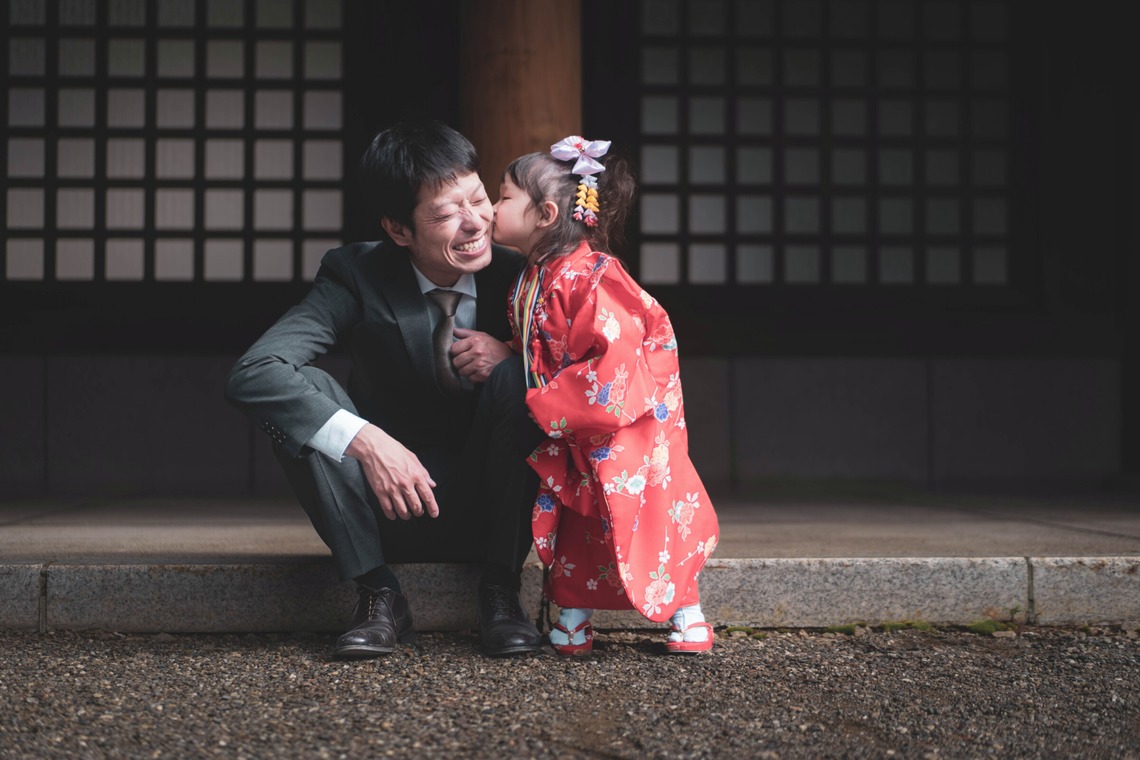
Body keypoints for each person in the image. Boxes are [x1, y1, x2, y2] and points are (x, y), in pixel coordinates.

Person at [225, 120, 546, 658]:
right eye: (445, 213)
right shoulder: (357, 273)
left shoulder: (523, 274)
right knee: (308, 389)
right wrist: (368, 441)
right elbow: (255, 370)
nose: (474, 224)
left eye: (479, 199)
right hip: (383, 510)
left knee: (524, 378)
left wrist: (518, 356)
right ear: (400, 231)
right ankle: (379, 594)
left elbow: (598, 370)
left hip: (491, 509)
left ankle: (500, 590)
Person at [491, 136, 720, 654]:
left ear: (546, 213)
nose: (491, 207)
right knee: (579, 516)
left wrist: (544, 401)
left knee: (648, 511)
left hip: (625, 419)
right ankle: (573, 617)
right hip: (577, 418)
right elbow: (543, 346)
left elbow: (614, 362)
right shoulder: (536, 274)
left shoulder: (595, 278)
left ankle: (687, 613)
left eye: (502, 197)